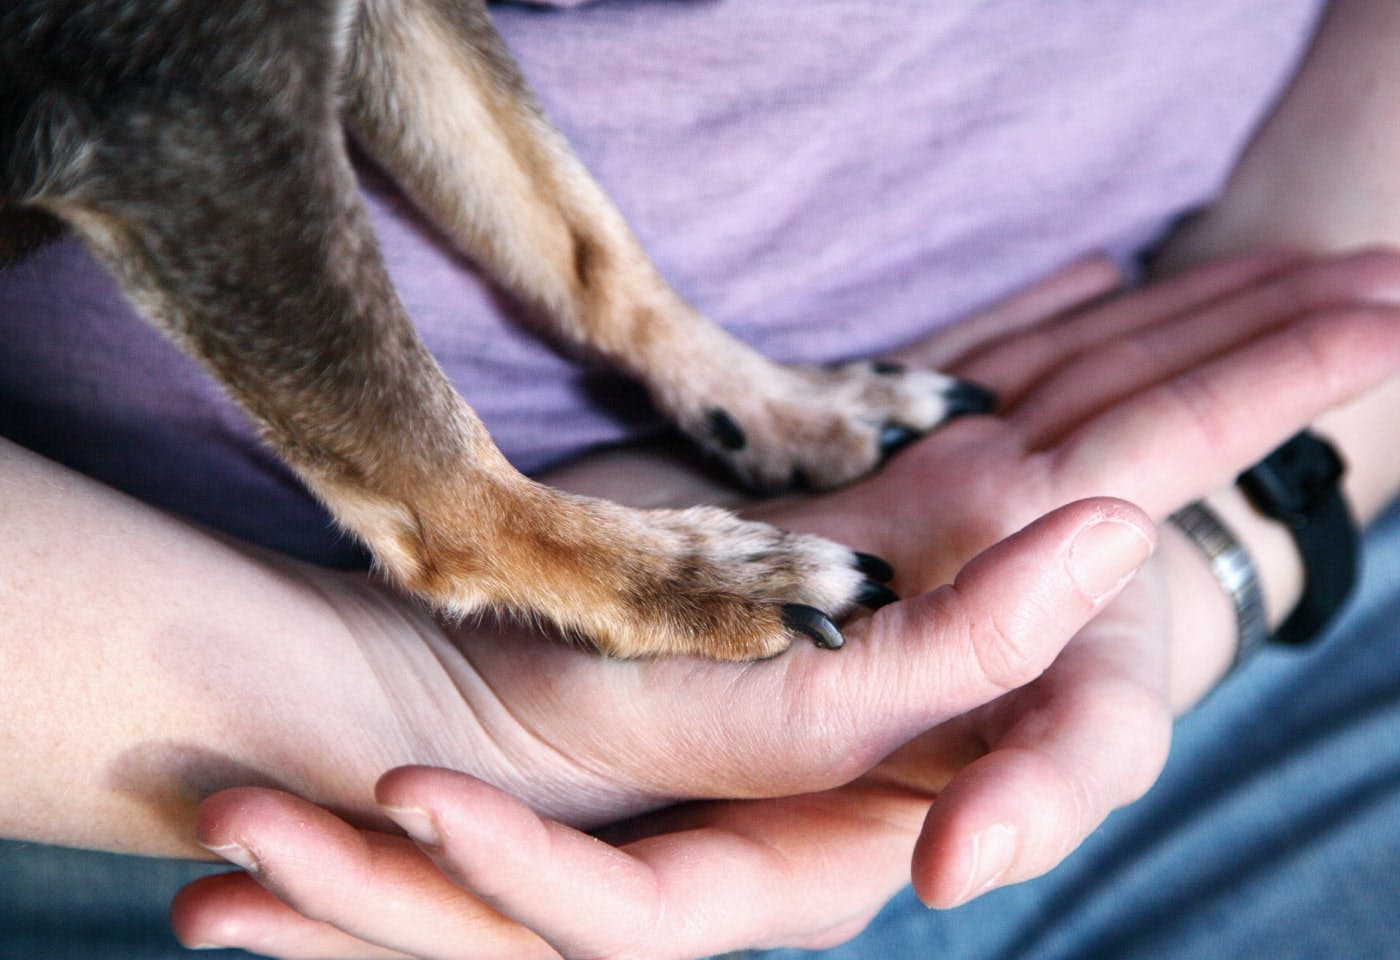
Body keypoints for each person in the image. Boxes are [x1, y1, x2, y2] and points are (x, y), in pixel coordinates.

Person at [3, 2, 1400, 959]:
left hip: (1253, 562)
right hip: (248, 804)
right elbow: (180, 98)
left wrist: (1239, 518)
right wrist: (425, 687)